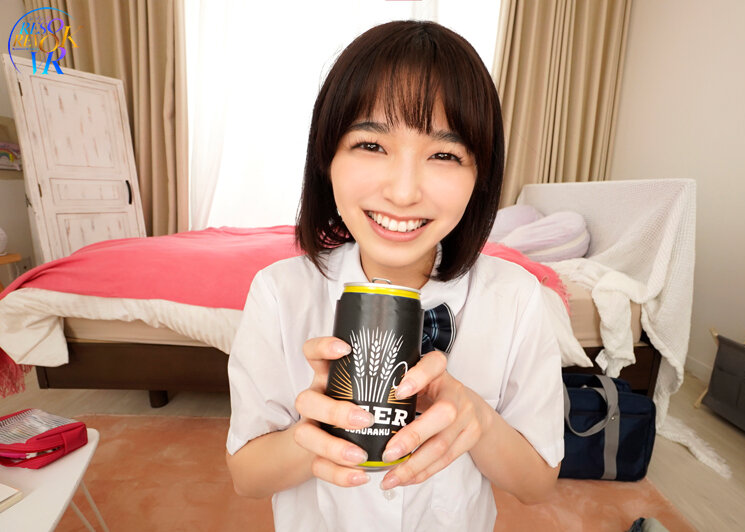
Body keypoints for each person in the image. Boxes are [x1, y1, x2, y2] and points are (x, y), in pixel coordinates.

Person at [226, 20, 563, 532]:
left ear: (480, 176)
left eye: (444, 155)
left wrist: (477, 419)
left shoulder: (516, 297)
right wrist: (315, 432)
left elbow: (537, 485)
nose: (403, 193)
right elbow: (246, 477)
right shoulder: (278, 292)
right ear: (326, 157)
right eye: (371, 145)